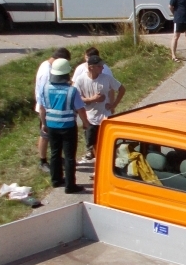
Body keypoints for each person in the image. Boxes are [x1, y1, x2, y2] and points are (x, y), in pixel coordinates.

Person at [37, 58, 90, 194]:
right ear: (67, 74)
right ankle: (70, 185)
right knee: (69, 156)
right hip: (68, 126)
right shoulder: (72, 91)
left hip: (52, 125)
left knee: (55, 153)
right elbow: (80, 109)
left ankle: (56, 180)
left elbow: (42, 108)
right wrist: (85, 123)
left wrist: (44, 123)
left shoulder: (45, 88)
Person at [76, 54, 124, 161]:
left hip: (105, 117)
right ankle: (99, 166)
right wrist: (93, 99)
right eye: (99, 66)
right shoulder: (80, 80)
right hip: (90, 118)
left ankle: (108, 163)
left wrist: (114, 104)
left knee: (106, 143)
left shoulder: (107, 78)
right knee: (94, 144)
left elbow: (121, 89)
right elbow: (77, 99)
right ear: (91, 67)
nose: (102, 68)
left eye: (102, 65)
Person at [35, 48, 72, 173]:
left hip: (48, 107)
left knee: (53, 136)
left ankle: (56, 157)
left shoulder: (45, 64)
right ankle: (43, 161)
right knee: (45, 134)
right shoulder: (47, 72)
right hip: (47, 109)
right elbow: (47, 92)